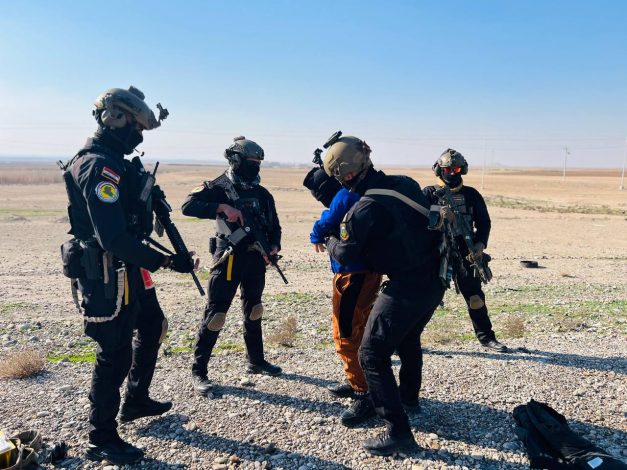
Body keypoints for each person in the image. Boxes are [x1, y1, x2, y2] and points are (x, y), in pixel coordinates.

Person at [60, 86, 196, 465]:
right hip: (106, 273)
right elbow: (113, 237)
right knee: (114, 353)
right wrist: (165, 262)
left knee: (153, 326)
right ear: (114, 118)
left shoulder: (118, 163)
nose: (139, 135)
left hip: (129, 267)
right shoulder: (96, 165)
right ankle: (101, 437)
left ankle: (135, 399)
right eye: (136, 127)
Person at [323, 134, 444, 456]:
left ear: (347, 175)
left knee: (371, 354)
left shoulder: (364, 209)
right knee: (408, 338)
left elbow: (346, 253)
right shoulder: (404, 183)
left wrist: (330, 238)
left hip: (407, 287)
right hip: (435, 281)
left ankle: (398, 431)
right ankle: (409, 400)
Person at [182, 136, 283, 396]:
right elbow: (187, 206)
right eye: (251, 162)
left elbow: (275, 226)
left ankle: (256, 361)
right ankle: (199, 371)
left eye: (258, 162)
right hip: (227, 259)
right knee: (216, 315)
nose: (255, 166)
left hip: (255, 259)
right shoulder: (219, 187)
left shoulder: (262, 194)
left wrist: (273, 246)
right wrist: (222, 207)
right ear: (236, 160)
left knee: (254, 310)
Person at [306, 167, 382, 426]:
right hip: (369, 274)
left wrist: (317, 235)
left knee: (346, 335)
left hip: (352, 276)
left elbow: (326, 222)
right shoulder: (365, 192)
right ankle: (359, 381)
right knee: (360, 329)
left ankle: (364, 393)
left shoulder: (344, 196)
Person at [423, 149, 508, 352]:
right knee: (426, 298)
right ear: (439, 170)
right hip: (437, 252)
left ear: (463, 170)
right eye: (447, 169)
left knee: (475, 298)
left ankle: (487, 338)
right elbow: (417, 223)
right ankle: (406, 340)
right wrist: (437, 216)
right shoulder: (428, 193)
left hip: (466, 252)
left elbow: (484, 223)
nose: (452, 173)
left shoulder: (471, 195)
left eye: (456, 169)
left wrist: (480, 245)